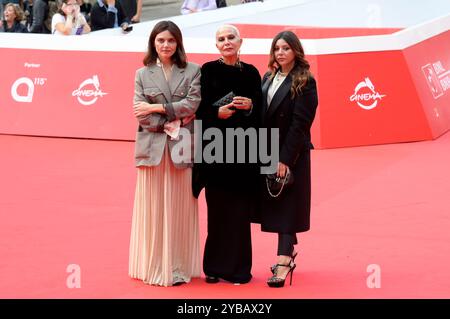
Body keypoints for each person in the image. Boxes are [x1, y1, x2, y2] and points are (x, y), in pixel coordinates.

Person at [128, 20, 202, 287]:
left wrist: (156, 109)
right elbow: (140, 113)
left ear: (178, 43)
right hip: (153, 150)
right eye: (161, 41)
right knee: (154, 209)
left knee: (179, 208)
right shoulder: (141, 74)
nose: (166, 45)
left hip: (181, 149)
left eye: (171, 41)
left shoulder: (193, 71)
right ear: (153, 43)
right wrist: (171, 118)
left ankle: (178, 265)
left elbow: (193, 104)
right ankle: (154, 265)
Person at [193, 24, 262, 284]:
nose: (226, 42)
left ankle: (240, 270)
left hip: (244, 154)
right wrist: (216, 113)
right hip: (216, 153)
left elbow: (260, 112)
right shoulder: (207, 70)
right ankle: (213, 268)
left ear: (240, 41)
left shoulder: (253, 72)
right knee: (217, 213)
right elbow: (197, 110)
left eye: (231, 37)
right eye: (221, 39)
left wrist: (251, 105)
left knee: (240, 215)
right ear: (216, 45)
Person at [260, 30, 318, 287]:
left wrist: (284, 159)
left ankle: (283, 262)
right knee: (278, 203)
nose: (280, 52)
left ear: (295, 50)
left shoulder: (305, 80)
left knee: (287, 205)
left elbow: (301, 124)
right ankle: (287, 250)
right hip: (267, 151)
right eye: (277, 49)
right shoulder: (268, 77)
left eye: (285, 48)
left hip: (291, 152)